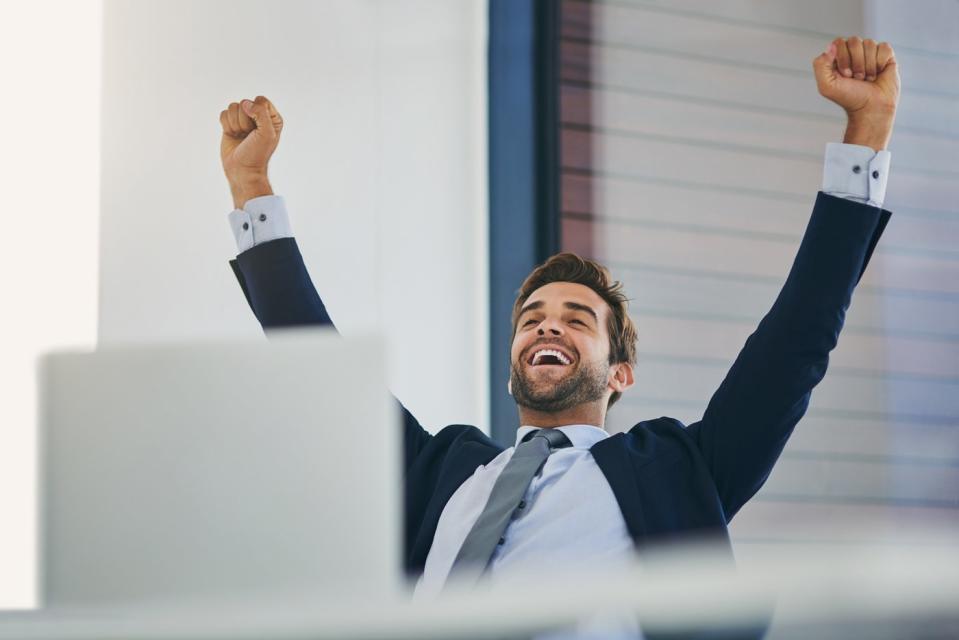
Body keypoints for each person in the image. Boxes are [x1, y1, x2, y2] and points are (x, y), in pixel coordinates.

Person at [218, 36, 898, 634]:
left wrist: (863, 137)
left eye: (577, 319)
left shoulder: (679, 469)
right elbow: (320, 369)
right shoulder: (442, 472)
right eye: (531, 318)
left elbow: (794, 344)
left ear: (620, 373)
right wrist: (251, 185)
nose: (547, 323)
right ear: (512, 357)